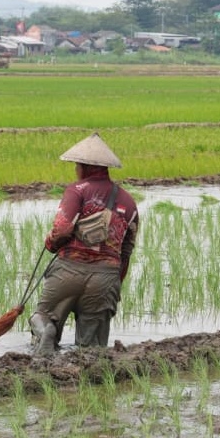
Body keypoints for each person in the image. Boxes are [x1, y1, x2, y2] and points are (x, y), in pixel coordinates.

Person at [30, 133, 139, 356]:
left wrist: (50, 243)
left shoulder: (77, 191)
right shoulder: (129, 202)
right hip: (105, 277)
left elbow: (62, 229)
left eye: (77, 165)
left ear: (84, 167)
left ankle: (47, 333)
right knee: (92, 355)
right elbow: (126, 252)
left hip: (68, 271)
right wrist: (112, 283)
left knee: (41, 318)